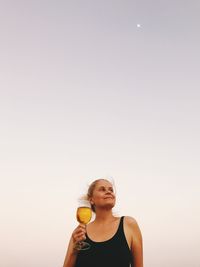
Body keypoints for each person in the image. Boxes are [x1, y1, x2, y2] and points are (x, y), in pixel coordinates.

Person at [63, 178, 143, 267]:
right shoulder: (80, 233)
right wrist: (73, 251)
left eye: (111, 190)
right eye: (102, 189)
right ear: (91, 199)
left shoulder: (129, 224)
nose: (109, 192)